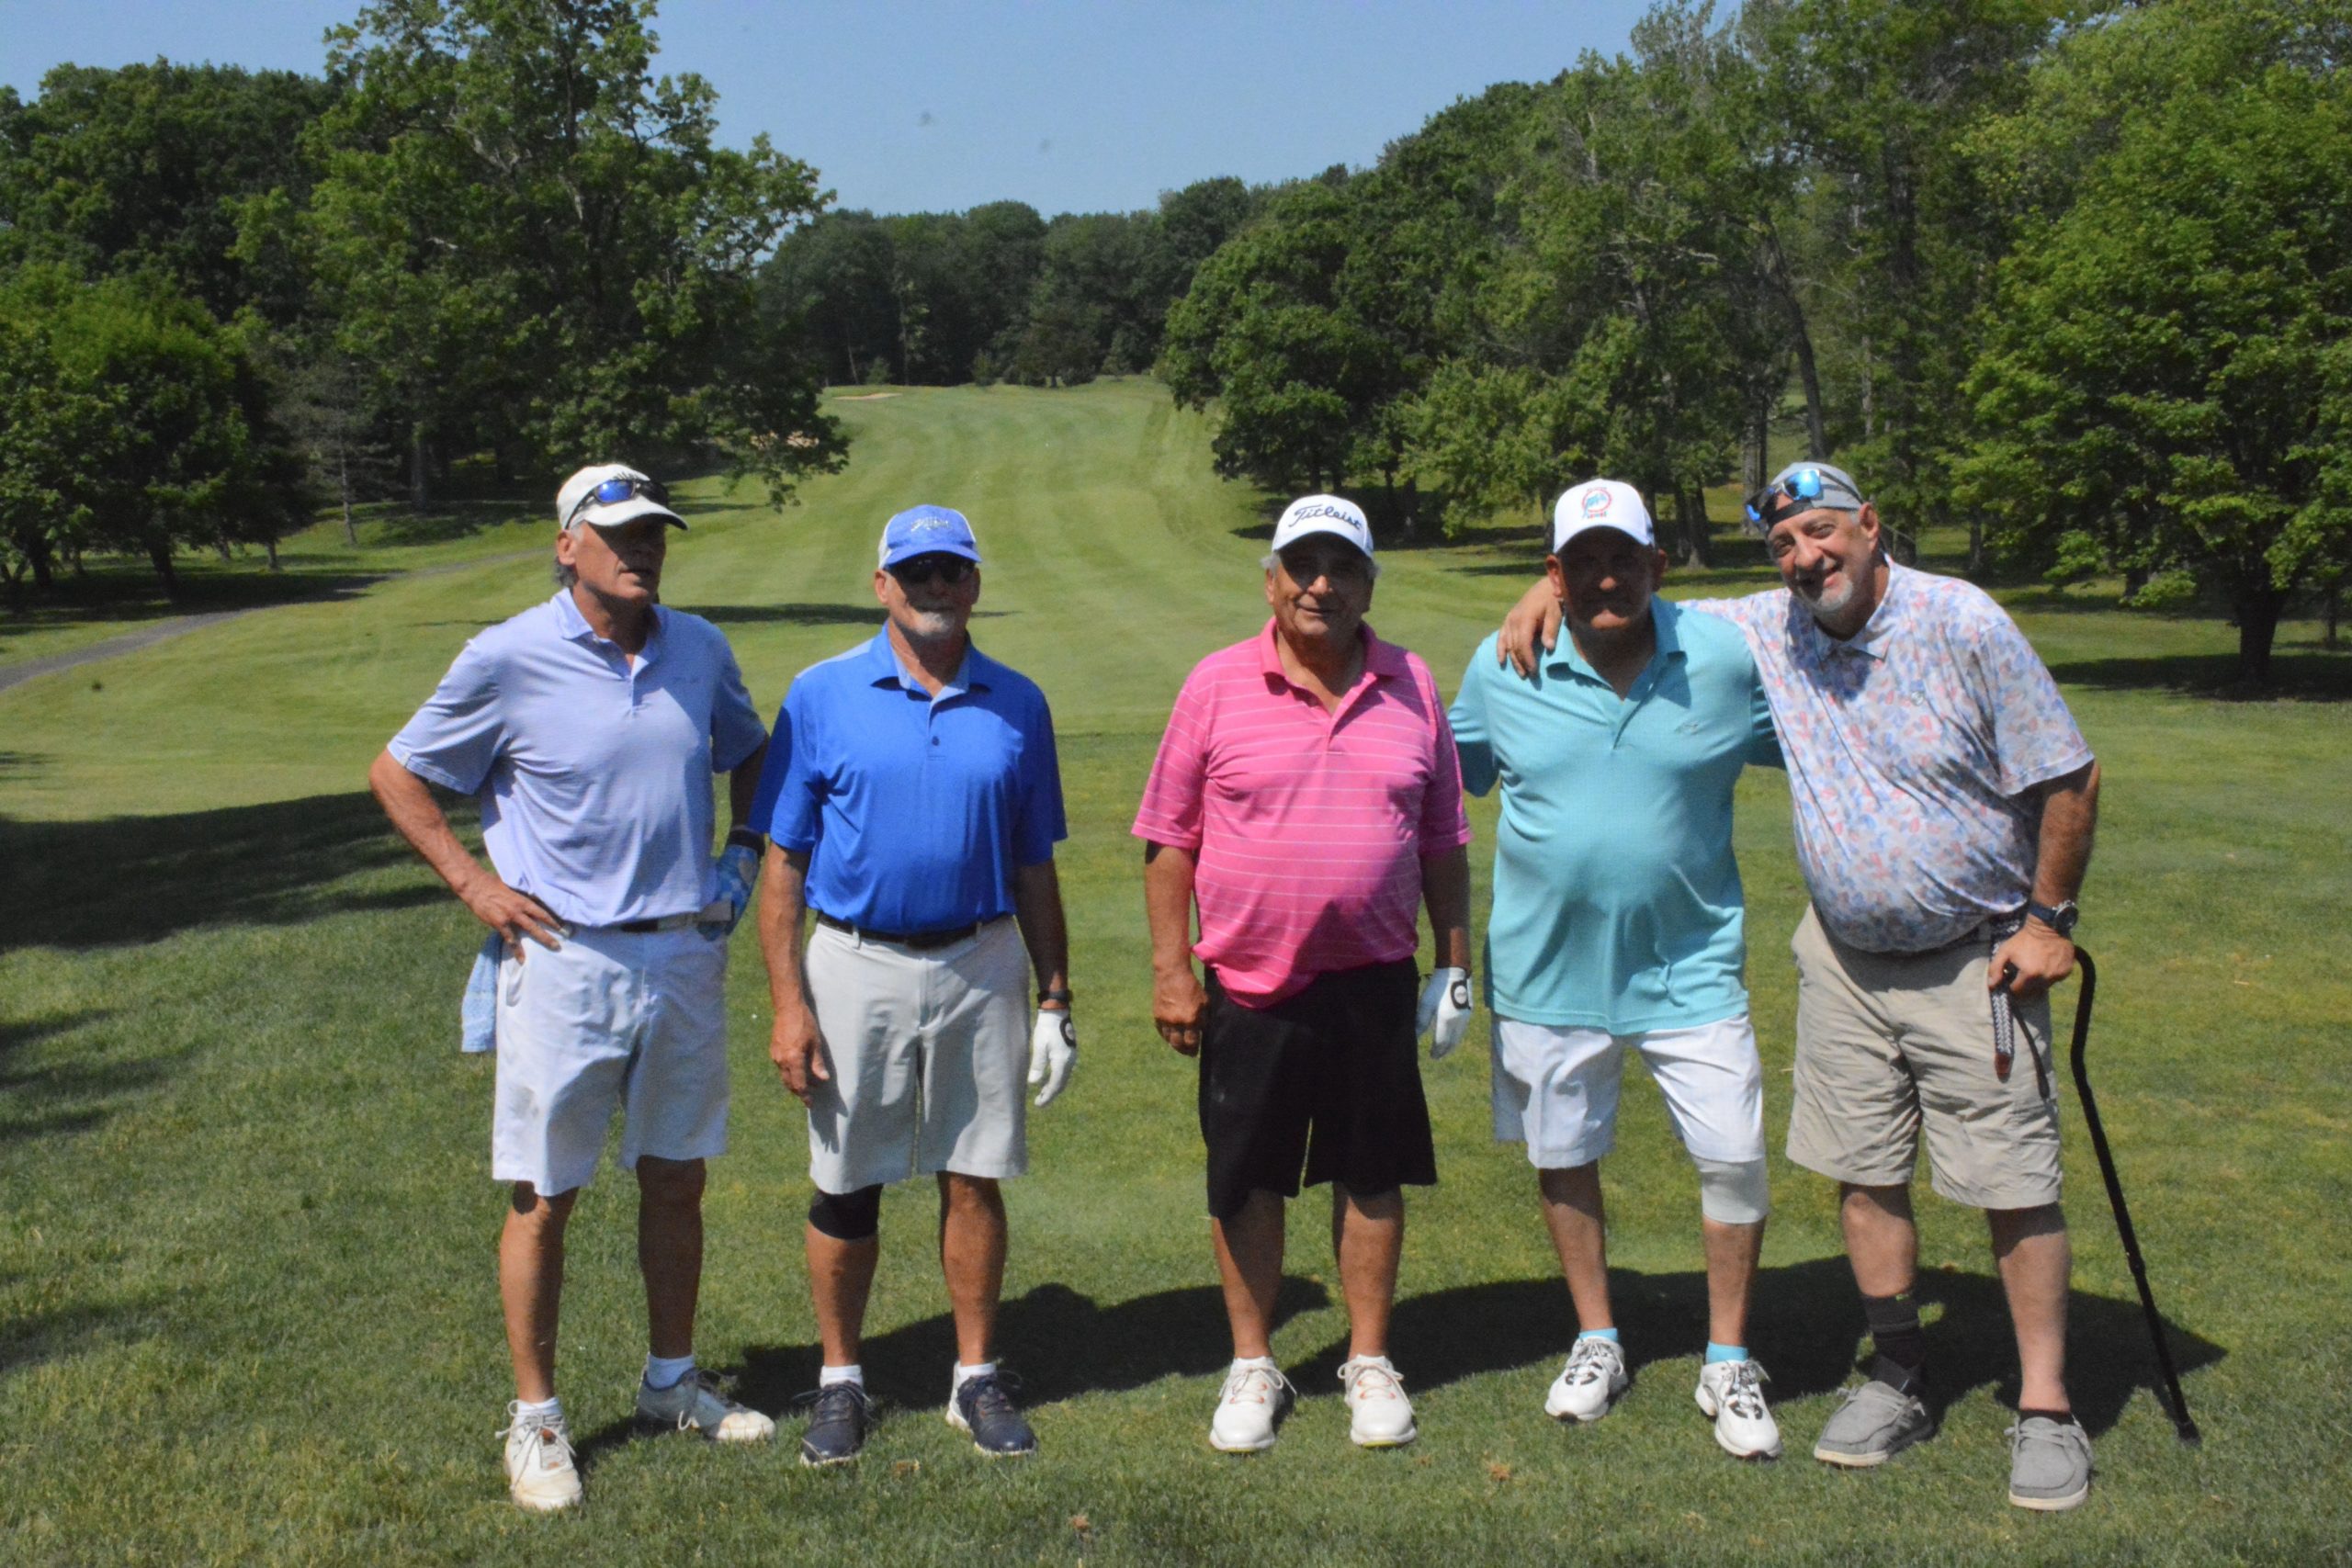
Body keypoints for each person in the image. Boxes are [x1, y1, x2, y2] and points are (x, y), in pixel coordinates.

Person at [1497, 460, 2102, 1510]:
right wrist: (1540, 590)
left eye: (1821, 531)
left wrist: (2050, 920)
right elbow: (1629, 593)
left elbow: (2069, 773)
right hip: (1843, 960)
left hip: (1975, 954)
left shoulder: (1961, 620)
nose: (1804, 557)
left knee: (2011, 1182)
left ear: (1868, 524)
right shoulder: (1771, 629)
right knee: (1864, 1174)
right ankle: (1898, 1372)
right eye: (1782, 543)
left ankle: (2045, 1405)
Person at [369, 463, 775, 1513]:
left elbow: (753, 756)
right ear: (567, 547)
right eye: (621, 534)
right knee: (546, 1195)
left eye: (654, 534)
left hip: (680, 950)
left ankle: (670, 1381)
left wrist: (740, 857)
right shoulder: (507, 656)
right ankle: (536, 1418)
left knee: (676, 1177)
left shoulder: (699, 648)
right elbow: (398, 773)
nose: (644, 549)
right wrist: (473, 884)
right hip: (562, 959)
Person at [1450, 479, 1785, 1460]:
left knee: (1734, 1156)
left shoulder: (1722, 656)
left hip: (1691, 964)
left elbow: (1825, 701)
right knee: (1563, 1156)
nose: (1607, 578)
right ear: (1553, 573)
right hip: (1547, 970)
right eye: (1584, 562)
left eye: (1624, 558)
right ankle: (1597, 1336)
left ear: (1658, 565)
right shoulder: (1503, 661)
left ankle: (1728, 1356)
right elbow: (1437, 777)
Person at [1135, 493, 1473, 1454]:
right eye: (1303, 566)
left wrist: (1453, 967)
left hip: (1373, 977)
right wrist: (1171, 970)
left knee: (1371, 1172)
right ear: (1271, 580)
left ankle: (1368, 1360)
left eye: (1343, 567)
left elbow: (1443, 840)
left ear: (1369, 582)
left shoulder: (1412, 682)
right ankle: (1253, 1361)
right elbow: (1169, 840)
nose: (1322, 585)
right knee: (1248, 1178)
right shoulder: (1215, 684)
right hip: (1252, 983)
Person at [753, 503, 1074, 1467]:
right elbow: (782, 865)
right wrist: (788, 1006)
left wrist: (1055, 998)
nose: (935, 587)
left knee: (973, 1172)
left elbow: (1034, 866)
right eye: (916, 571)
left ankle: (974, 1376)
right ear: (882, 584)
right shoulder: (820, 694)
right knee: (846, 1180)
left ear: (974, 584)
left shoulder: (1019, 703)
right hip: (856, 960)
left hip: (981, 958)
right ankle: (841, 1379)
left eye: (951, 571)